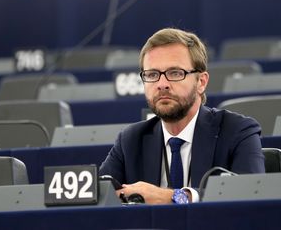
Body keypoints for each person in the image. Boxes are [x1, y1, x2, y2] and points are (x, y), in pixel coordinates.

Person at [99, 27, 264, 205]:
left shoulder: (237, 131)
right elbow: (98, 197)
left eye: (175, 73)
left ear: (201, 82)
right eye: (152, 75)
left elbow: (251, 194)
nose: (162, 84)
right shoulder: (130, 140)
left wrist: (173, 197)